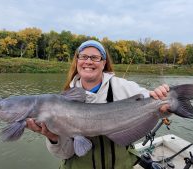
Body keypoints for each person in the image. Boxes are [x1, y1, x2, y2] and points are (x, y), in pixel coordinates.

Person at [26, 40, 170, 169]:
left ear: (103, 63)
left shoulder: (124, 87)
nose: (88, 61)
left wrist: (164, 105)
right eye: (83, 57)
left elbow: (157, 105)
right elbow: (65, 153)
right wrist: (52, 137)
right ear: (77, 62)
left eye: (95, 57)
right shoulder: (62, 101)